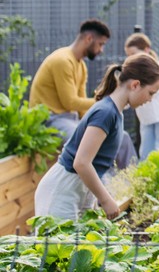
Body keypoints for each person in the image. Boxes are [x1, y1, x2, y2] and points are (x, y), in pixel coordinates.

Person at [34, 53, 159, 221]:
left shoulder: (116, 113)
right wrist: (106, 200)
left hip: (77, 190)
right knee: (56, 247)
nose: (150, 99)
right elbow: (81, 163)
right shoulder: (106, 113)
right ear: (135, 85)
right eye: (151, 93)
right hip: (62, 191)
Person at [29, 19, 138, 170]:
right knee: (94, 143)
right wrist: (107, 102)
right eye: (101, 44)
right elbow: (70, 102)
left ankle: (135, 183)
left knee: (123, 138)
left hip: (70, 120)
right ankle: (107, 190)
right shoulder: (62, 60)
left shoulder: (81, 65)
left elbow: (81, 109)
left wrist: (99, 118)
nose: (101, 50)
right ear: (88, 39)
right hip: (50, 120)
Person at [124, 32, 159, 158]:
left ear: (147, 50)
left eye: (133, 54)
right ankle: (145, 177)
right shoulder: (133, 70)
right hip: (146, 118)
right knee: (146, 152)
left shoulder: (157, 67)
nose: (130, 58)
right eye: (128, 55)